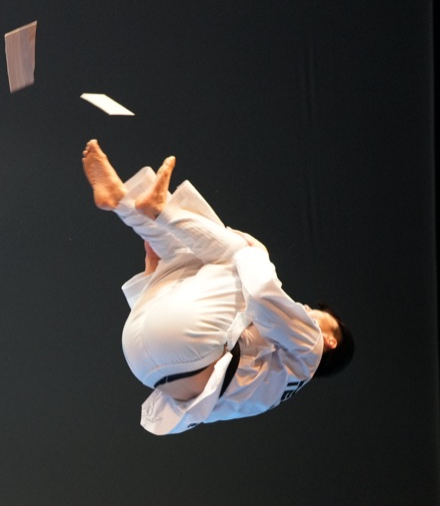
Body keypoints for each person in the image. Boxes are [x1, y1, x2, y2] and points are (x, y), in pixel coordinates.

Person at [81, 138, 352, 435]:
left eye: (316, 313)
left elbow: (262, 293)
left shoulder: (310, 347)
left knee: (242, 255)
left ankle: (153, 209)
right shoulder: (275, 386)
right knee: (189, 256)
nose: (305, 308)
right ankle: (121, 200)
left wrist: (254, 250)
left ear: (330, 340)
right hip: (142, 360)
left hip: (185, 347)